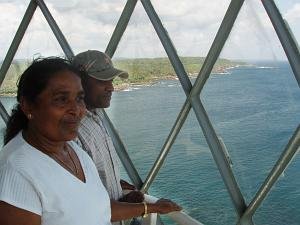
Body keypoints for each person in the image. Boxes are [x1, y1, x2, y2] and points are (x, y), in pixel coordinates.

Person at [0, 57, 181, 225]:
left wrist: (152, 207)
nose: (77, 110)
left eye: (79, 99)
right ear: (28, 106)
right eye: (61, 99)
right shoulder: (16, 172)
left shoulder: (72, 150)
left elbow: (100, 209)